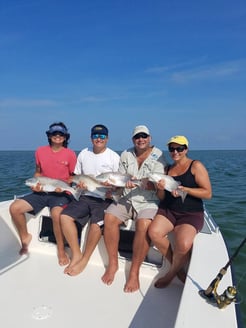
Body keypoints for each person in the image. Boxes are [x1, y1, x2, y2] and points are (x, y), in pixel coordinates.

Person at [101, 125, 167, 293]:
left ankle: (134, 272)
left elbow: (159, 185)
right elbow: (120, 182)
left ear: (150, 138)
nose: (141, 139)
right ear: (133, 140)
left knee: (144, 224)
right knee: (109, 217)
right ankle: (113, 263)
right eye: (137, 137)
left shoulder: (158, 155)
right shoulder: (126, 154)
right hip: (127, 198)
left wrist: (145, 183)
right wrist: (113, 185)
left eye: (144, 136)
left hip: (149, 201)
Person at [148, 135, 212, 288]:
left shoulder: (196, 166)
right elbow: (161, 197)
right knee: (154, 233)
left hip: (190, 213)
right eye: (172, 148)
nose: (175, 151)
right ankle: (177, 266)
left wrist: (186, 190)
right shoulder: (167, 169)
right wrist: (160, 189)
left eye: (179, 148)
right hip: (168, 210)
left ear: (186, 149)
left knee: (183, 244)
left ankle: (171, 273)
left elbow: (208, 193)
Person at [9, 122, 77, 265]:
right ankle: (25, 237)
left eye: (61, 134)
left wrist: (65, 187)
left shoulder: (70, 154)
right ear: (49, 136)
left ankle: (60, 249)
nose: (57, 136)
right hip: (42, 192)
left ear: (65, 137)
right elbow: (38, 172)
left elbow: (73, 176)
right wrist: (36, 185)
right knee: (15, 208)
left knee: (56, 215)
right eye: (54, 134)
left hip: (61, 193)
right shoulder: (40, 151)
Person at [60, 124, 120, 276]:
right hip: (85, 195)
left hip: (105, 198)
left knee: (96, 225)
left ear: (107, 138)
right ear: (91, 138)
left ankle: (85, 259)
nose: (98, 139)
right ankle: (76, 254)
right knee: (64, 217)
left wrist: (111, 187)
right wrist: (77, 184)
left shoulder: (114, 157)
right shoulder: (83, 154)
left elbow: (119, 184)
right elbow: (77, 176)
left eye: (102, 137)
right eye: (95, 136)